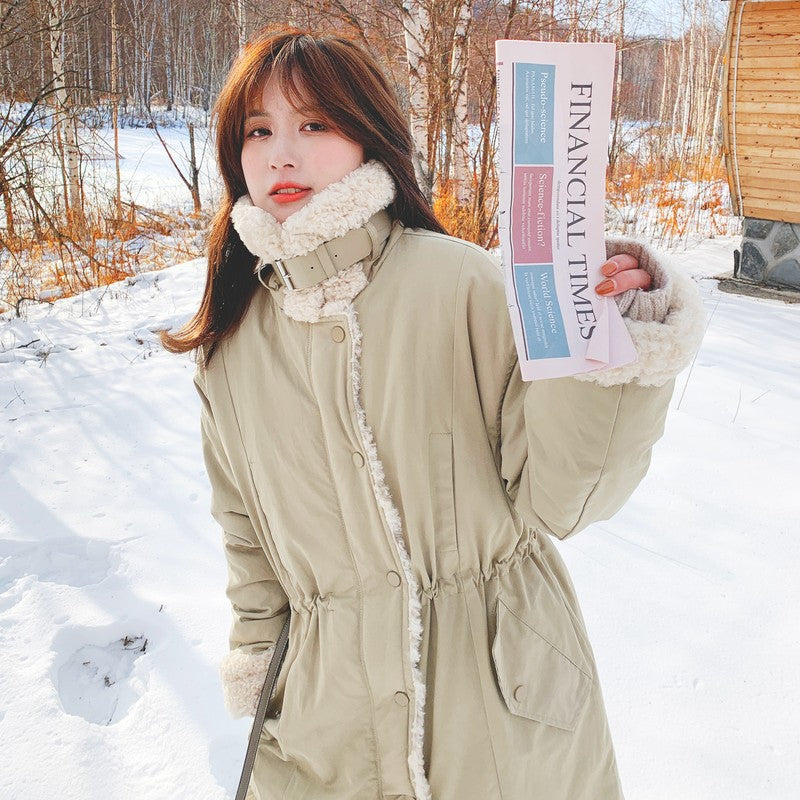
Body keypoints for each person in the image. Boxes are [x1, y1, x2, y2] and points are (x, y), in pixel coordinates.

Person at [161, 28, 705, 800]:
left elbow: (564, 498)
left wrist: (611, 343)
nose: (282, 154)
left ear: (368, 134)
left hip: (499, 714)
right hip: (327, 727)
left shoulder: (463, 285)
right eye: (258, 130)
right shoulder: (232, 346)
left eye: (314, 123)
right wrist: (262, 678)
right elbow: (246, 535)